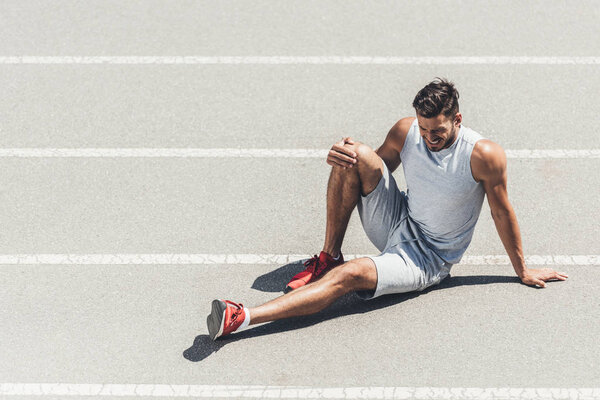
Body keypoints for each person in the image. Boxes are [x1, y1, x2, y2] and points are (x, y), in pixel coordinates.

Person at [206, 77, 569, 340]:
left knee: (353, 274)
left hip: (427, 258)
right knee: (353, 155)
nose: (429, 139)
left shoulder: (483, 156)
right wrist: (341, 159)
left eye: (438, 131)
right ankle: (328, 256)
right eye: (424, 129)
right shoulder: (406, 131)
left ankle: (243, 316)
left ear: (457, 119)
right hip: (399, 219)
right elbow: (369, 173)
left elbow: (501, 213)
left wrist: (521, 270)